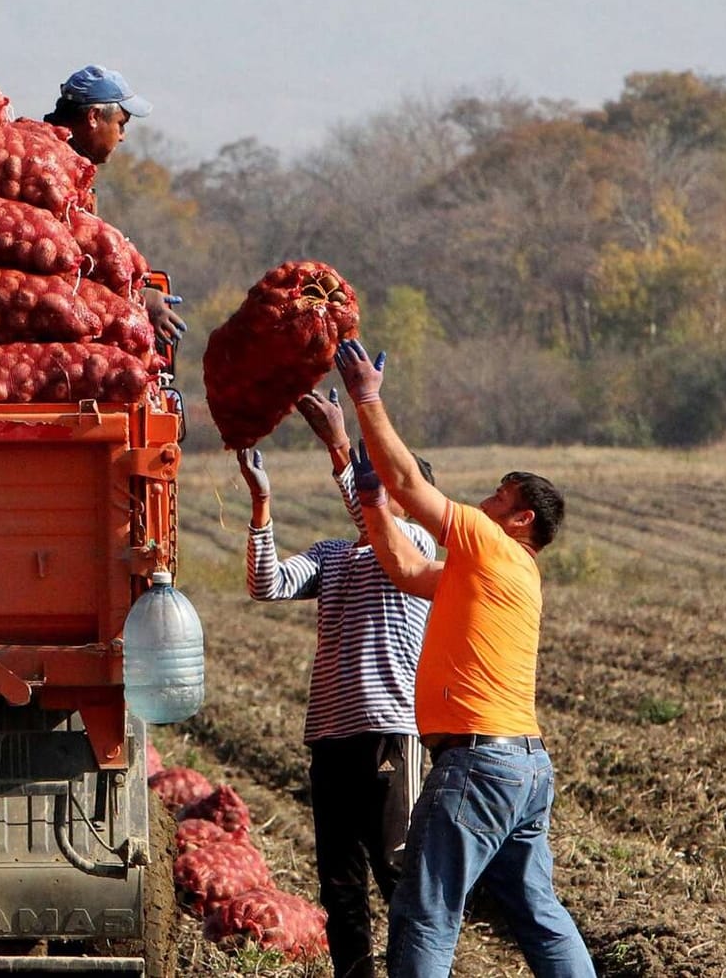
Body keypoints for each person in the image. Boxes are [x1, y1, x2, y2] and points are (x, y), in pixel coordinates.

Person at [333, 339, 595, 978]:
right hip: (524, 767)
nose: (486, 500)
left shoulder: (490, 545)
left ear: (521, 518)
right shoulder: (505, 570)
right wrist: (369, 503)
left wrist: (367, 398)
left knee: (426, 909)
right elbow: (406, 566)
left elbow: (410, 485)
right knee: (536, 909)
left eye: (500, 496)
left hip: (478, 765)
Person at [239, 390, 436, 978]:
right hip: (330, 738)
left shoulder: (416, 549)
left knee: (397, 872)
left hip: (388, 732)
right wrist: (261, 505)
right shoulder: (331, 556)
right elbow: (265, 584)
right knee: (340, 884)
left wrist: (338, 443)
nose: (374, 490)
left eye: (385, 485)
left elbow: (377, 525)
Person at [46, 64, 187, 345]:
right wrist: (138, 300)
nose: (122, 136)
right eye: (121, 124)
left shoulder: (73, 171)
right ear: (94, 117)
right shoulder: (52, 173)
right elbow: (66, 270)